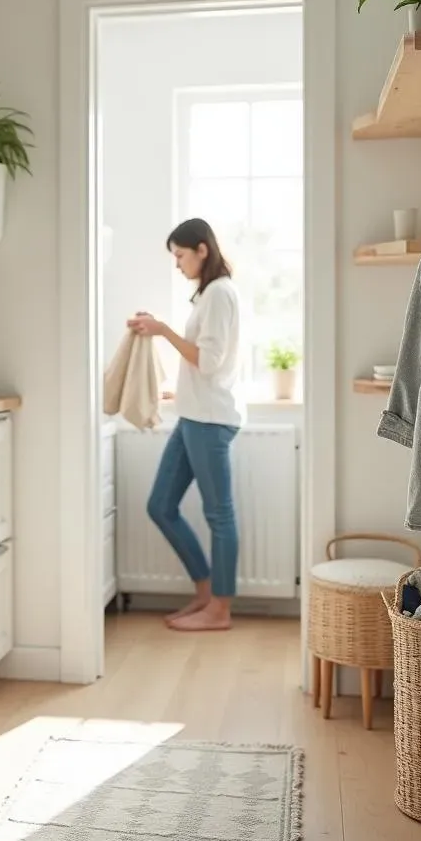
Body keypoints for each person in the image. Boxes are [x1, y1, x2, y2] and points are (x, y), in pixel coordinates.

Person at [127, 218, 243, 631]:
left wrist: (161, 330)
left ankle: (220, 609)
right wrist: (180, 390)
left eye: (180, 255)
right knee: (160, 505)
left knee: (219, 515)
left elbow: (208, 361)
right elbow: (209, 363)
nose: (177, 264)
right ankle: (206, 591)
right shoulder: (208, 295)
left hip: (209, 421)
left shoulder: (219, 294)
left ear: (201, 250)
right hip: (195, 415)